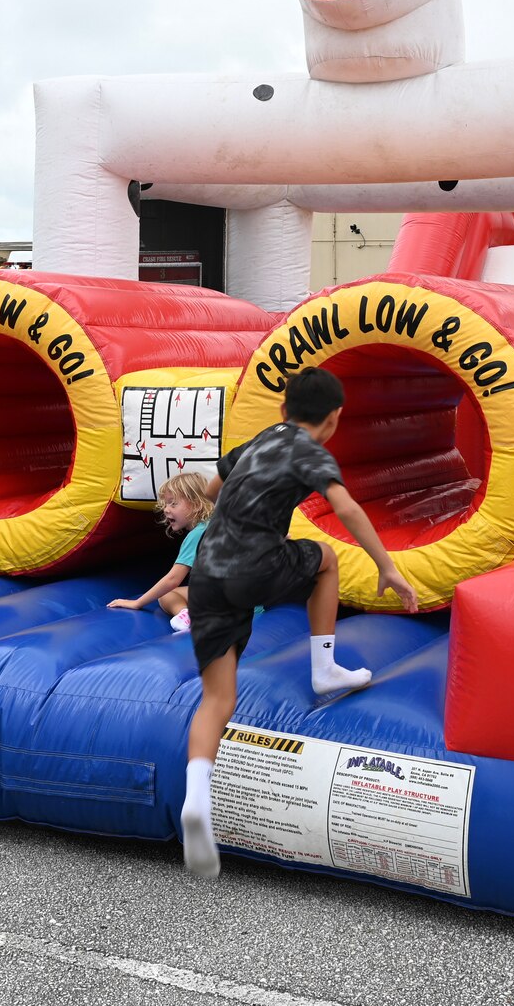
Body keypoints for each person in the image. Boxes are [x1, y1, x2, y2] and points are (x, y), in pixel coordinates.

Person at [179, 367, 419, 879]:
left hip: (207, 575)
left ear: (282, 411)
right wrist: (388, 566)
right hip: (255, 566)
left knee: (217, 699)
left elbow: (215, 487)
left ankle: (196, 797)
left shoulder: (261, 439)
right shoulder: (313, 451)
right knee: (327, 557)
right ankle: (325, 668)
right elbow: (347, 507)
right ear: (333, 419)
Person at [107, 472, 215, 633]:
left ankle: (186, 615)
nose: (166, 510)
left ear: (196, 504)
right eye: (165, 504)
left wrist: (137, 603)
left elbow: (173, 579)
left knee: (167, 595)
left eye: (173, 504)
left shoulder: (198, 534)